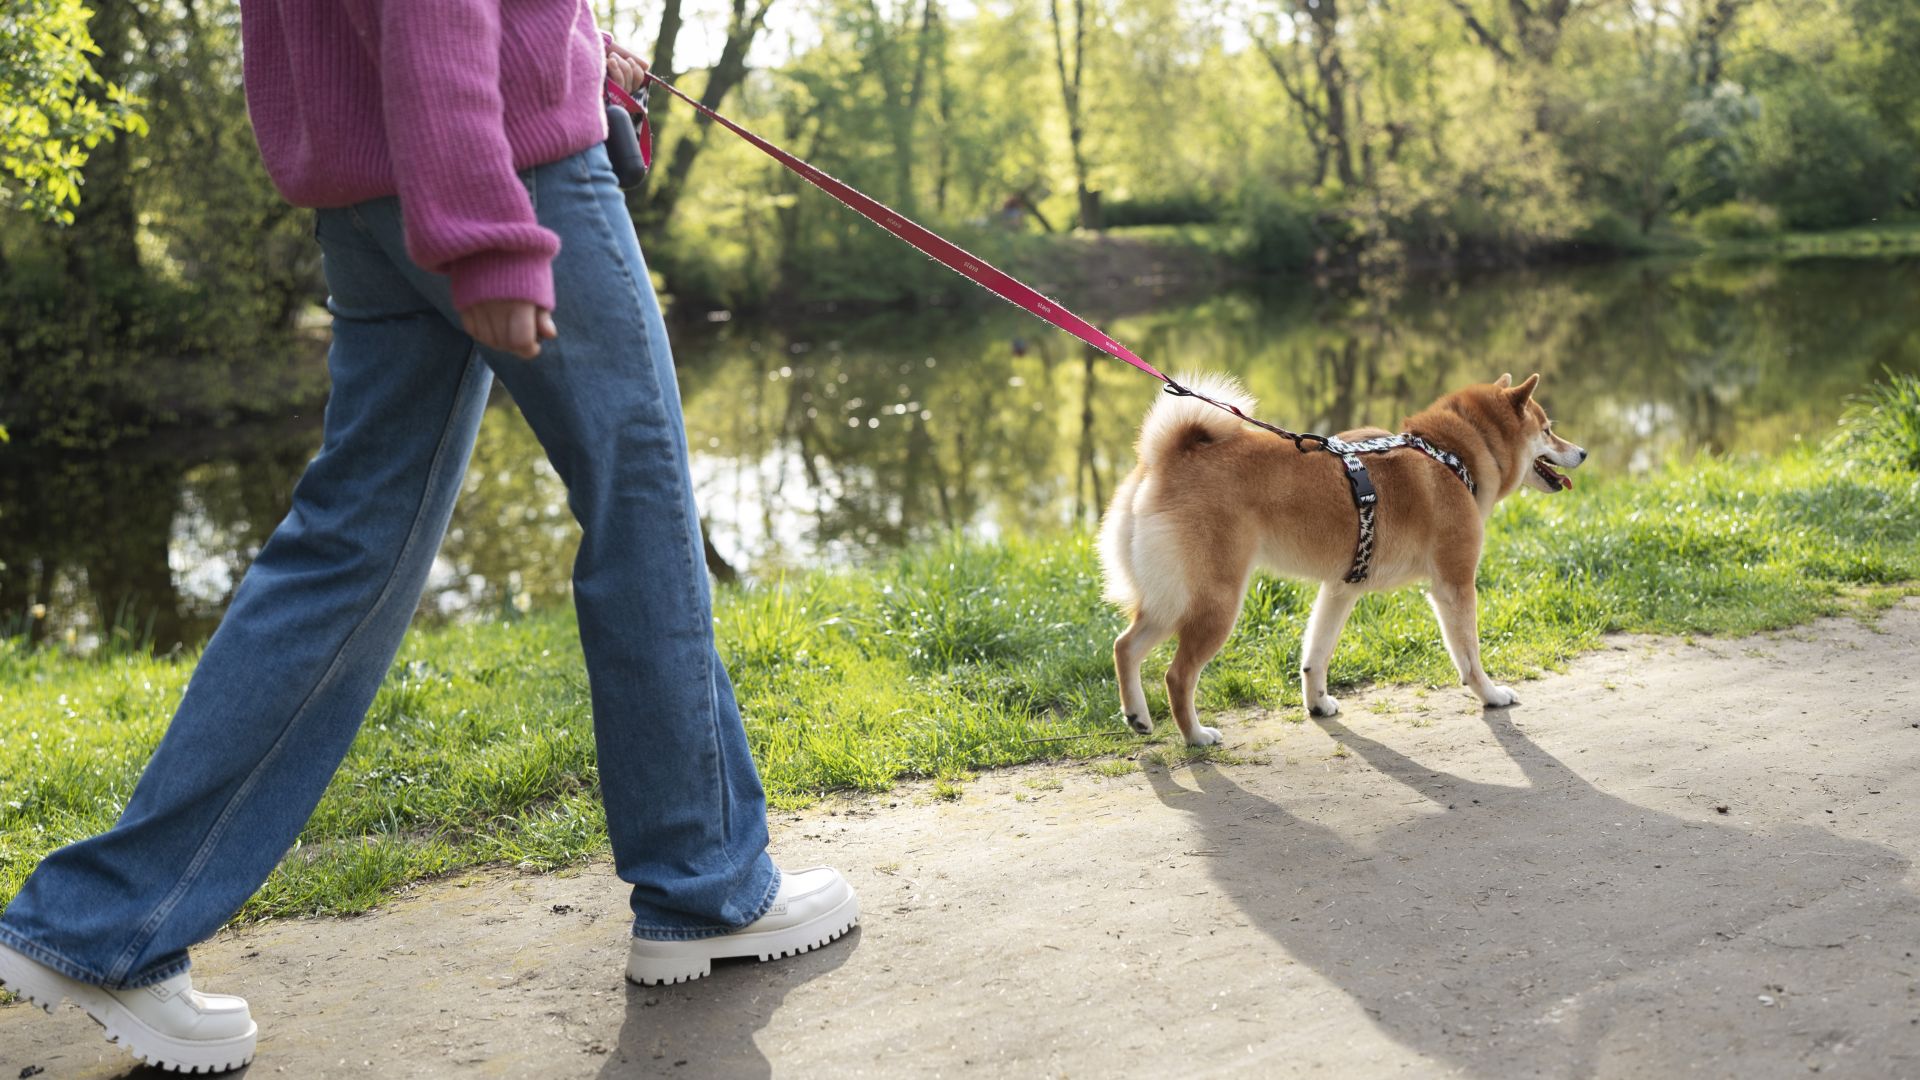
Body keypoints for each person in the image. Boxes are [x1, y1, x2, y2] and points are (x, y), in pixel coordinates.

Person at [0, 2, 857, 1072]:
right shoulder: (487, 180)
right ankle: (707, 886)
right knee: (639, 507)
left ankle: (105, 920)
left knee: (345, 548)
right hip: (498, 165)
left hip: (366, 176)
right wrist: (484, 225)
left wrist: (568, 43)